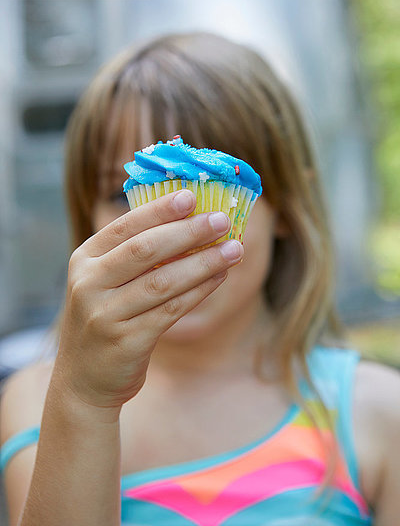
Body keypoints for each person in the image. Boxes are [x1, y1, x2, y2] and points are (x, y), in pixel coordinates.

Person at [1, 32, 399, 526]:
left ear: (285, 210)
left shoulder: (378, 411)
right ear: (85, 221)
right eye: (124, 193)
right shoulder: (44, 400)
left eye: (217, 191)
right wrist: (84, 402)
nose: (173, 229)